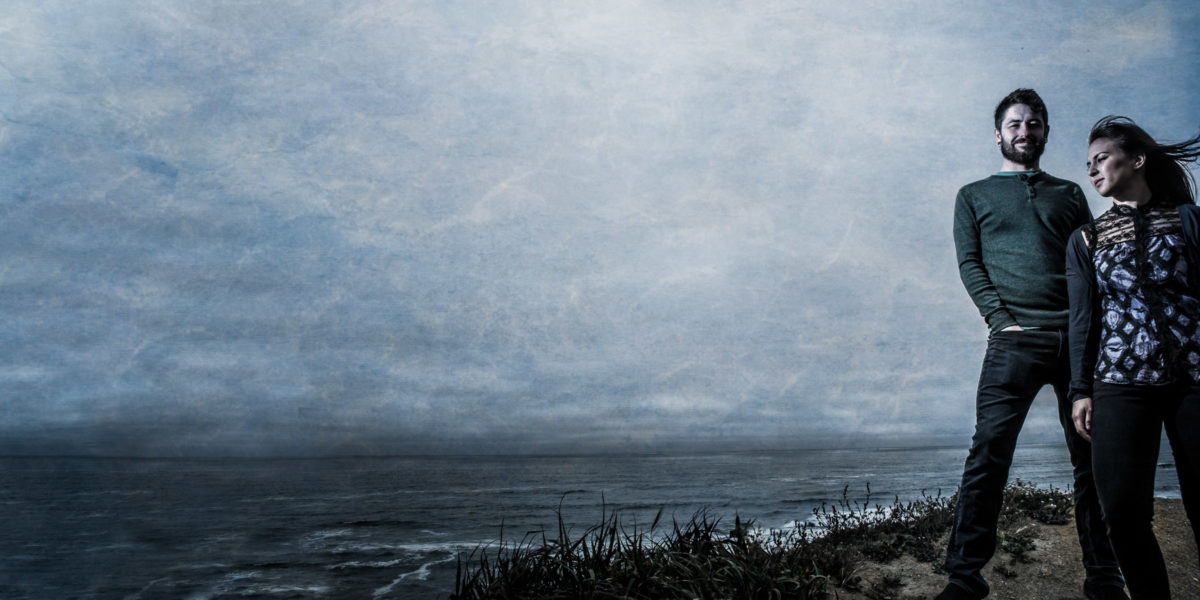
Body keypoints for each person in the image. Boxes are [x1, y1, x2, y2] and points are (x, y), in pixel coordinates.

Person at [938, 89, 1126, 600]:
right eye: (1016, 124)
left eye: (1035, 123)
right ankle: (965, 577)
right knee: (989, 453)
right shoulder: (972, 195)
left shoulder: (1068, 193)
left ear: (1045, 132)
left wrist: (1094, 330)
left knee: (1090, 461)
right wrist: (1001, 320)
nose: (1026, 131)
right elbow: (970, 264)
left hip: (1078, 341)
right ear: (998, 134)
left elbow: (1090, 266)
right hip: (1014, 342)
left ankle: (1104, 578)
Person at [1066, 115, 1200, 599]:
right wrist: (1081, 390)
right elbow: (1082, 321)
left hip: (1194, 380)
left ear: (1137, 160)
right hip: (1120, 383)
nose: (1092, 170)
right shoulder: (1087, 239)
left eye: (1101, 158)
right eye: (1088, 164)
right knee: (1121, 511)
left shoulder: (1188, 219)